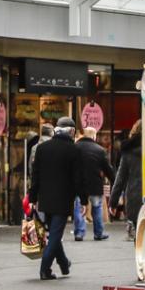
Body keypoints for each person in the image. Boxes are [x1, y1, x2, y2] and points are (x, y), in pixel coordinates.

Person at [28, 116, 81, 280]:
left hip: (45, 199)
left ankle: (64, 264)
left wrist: (33, 197)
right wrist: (83, 200)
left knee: (54, 233)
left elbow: (35, 175)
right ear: (71, 131)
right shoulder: (73, 150)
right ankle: (45, 269)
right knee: (55, 235)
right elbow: (77, 178)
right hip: (63, 200)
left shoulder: (42, 148)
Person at [74, 127, 114, 242]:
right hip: (95, 184)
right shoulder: (99, 150)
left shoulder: (75, 147)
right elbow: (107, 169)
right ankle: (98, 233)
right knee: (96, 208)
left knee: (79, 208)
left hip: (79, 184)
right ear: (94, 136)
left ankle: (79, 233)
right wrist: (114, 180)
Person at [110, 120, 143, 241]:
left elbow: (120, 179)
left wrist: (113, 202)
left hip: (135, 197)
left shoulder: (128, 152)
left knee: (138, 237)